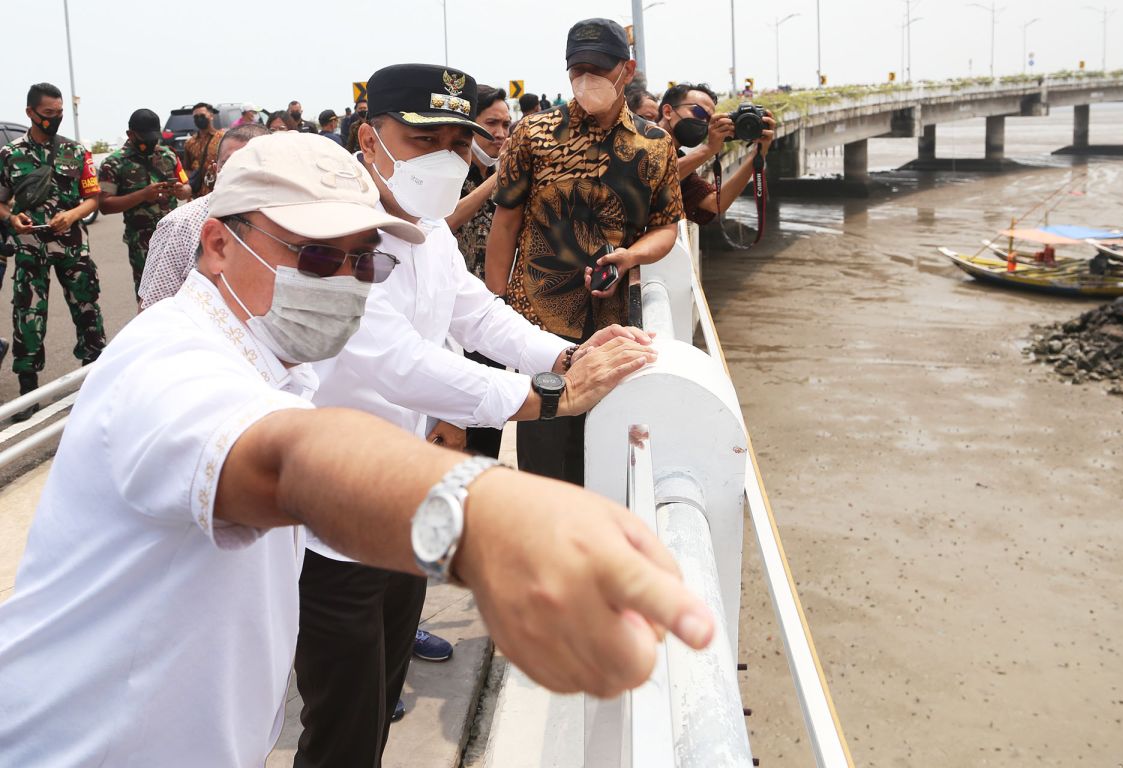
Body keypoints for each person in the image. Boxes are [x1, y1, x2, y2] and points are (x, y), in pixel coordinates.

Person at [0, 132, 715, 766]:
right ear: (217, 244)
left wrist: (562, 362)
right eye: (314, 255)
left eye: (363, 263)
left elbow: (460, 327)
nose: (343, 283)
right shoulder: (169, 364)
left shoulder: (279, 353)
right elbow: (290, 460)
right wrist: (486, 520)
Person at [297, 63, 662, 766]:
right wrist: (545, 397)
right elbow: (394, 359)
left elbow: (477, 314)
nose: (445, 160)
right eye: (422, 139)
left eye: (459, 145)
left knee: (380, 696)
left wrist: (567, 353)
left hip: (401, 494)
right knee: (341, 723)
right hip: (330, 522)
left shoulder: (427, 226)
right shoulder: (332, 231)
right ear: (370, 139)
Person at [486, 18, 684, 484]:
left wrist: (632, 256)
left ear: (626, 70)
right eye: (577, 68)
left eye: (597, 68)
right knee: (544, 458)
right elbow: (506, 221)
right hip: (538, 324)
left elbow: (666, 227)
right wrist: (496, 306)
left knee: (604, 457)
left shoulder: (655, 146)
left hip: (613, 326)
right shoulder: (532, 135)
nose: (585, 78)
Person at [0, 82, 106, 421]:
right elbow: (0, 203)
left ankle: (95, 379)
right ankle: (28, 391)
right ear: (30, 113)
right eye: (48, 114)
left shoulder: (75, 152)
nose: (55, 119)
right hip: (30, 250)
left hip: (73, 248)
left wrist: (73, 215)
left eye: (59, 113)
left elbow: (93, 197)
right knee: (27, 318)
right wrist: (12, 218)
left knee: (88, 312)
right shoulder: (10, 155)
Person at [138, 123, 271, 309]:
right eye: (231, 163)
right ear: (216, 169)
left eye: (252, 163)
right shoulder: (179, 225)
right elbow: (152, 311)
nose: (242, 172)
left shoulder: (293, 223)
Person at [446, 83, 510, 458]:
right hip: (452, 318)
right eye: (491, 124)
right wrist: (493, 183)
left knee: (488, 423)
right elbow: (445, 221)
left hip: (491, 313)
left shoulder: (510, 174)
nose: (500, 134)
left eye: (506, 124)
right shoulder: (448, 173)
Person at [98, 108, 192, 295]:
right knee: (149, 295)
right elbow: (105, 205)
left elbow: (187, 188)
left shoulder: (168, 155)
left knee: (183, 292)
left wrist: (181, 191)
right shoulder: (114, 163)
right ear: (130, 134)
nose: (151, 142)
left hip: (175, 236)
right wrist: (142, 195)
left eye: (154, 137)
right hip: (142, 242)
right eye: (145, 137)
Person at [656, 82, 775, 225]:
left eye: (709, 120)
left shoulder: (680, 161)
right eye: (699, 113)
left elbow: (716, 203)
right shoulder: (638, 139)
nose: (704, 123)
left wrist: (758, 154)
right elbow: (654, 176)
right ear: (668, 112)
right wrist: (710, 149)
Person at [183, 101, 224, 197]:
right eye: (195, 117)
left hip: (218, 192)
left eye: (202, 115)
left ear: (211, 116)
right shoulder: (190, 143)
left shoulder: (223, 139)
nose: (199, 119)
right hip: (197, 194)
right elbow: (186, 169)